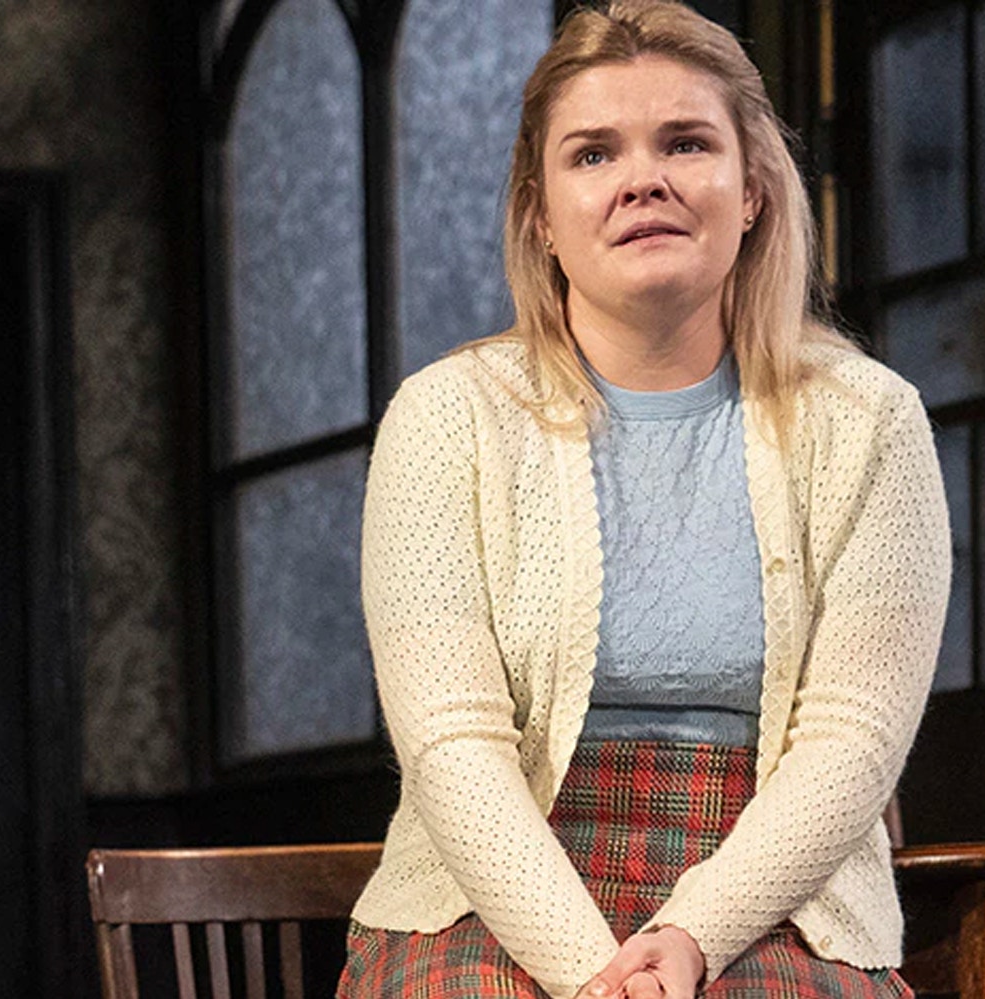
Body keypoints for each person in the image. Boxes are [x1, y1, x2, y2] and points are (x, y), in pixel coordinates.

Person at [338, 3, 949, 998]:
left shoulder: (870, 422)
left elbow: (855, 739)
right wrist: (591, 974)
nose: (642, 180)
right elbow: (450, 745)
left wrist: (697, 934)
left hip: (769, 889)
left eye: (685, 142)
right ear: (539, 214)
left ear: (751, 190)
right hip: (498, 889)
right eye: (592, 155)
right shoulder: (444, 418)